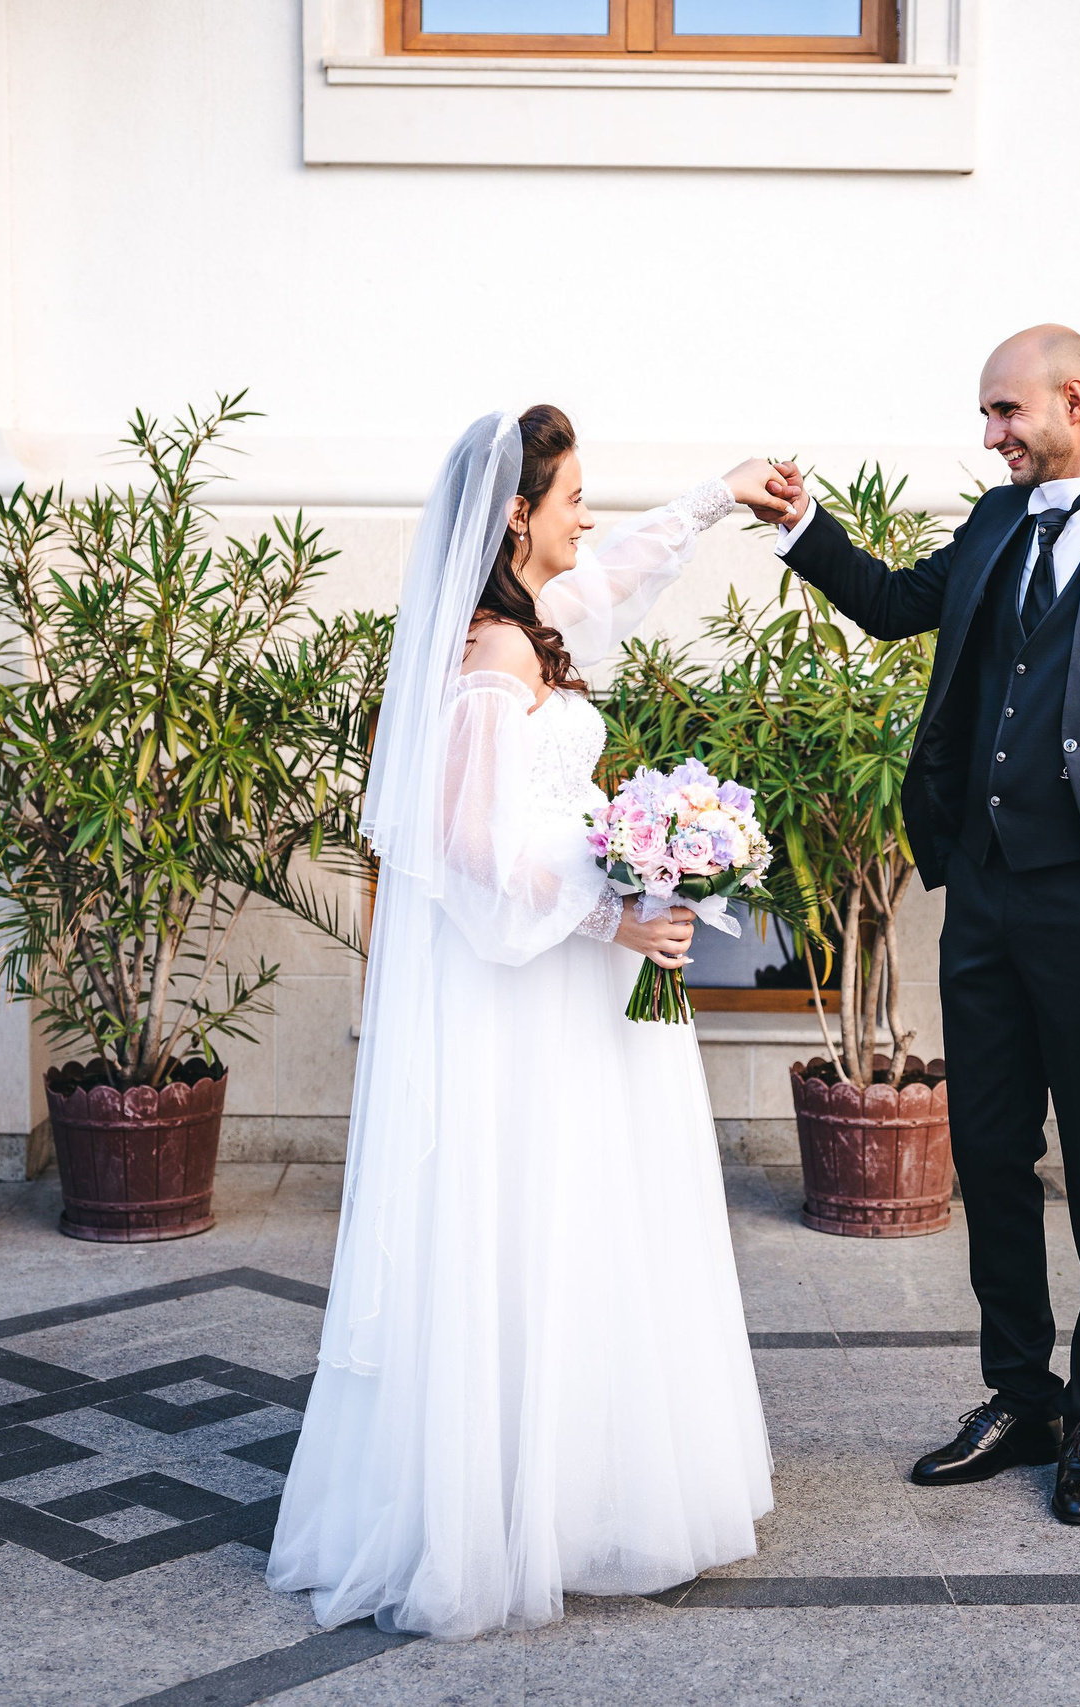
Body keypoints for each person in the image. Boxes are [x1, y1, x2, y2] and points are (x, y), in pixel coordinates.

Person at [267, 406, 789, 1638]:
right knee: (535, 1205)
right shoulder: (492, 655)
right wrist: (612, 918)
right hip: (538, 980)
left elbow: (617, 571)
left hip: (576, 972)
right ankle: (501, 1506)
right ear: (515, 514)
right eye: (570, 498)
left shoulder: (539, 623)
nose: (585, 516)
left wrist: (717, 496)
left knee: (590, 1215)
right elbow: (463, 847)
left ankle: (575, 1486)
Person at [755, 326, 1080, 1525]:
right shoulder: (993, 523)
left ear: (1070, 400)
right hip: (983, 895)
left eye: (1001, 414)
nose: (989, 437)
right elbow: (888, 609)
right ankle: (1020, 1393)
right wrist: (803, 527)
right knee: (985, 1149)